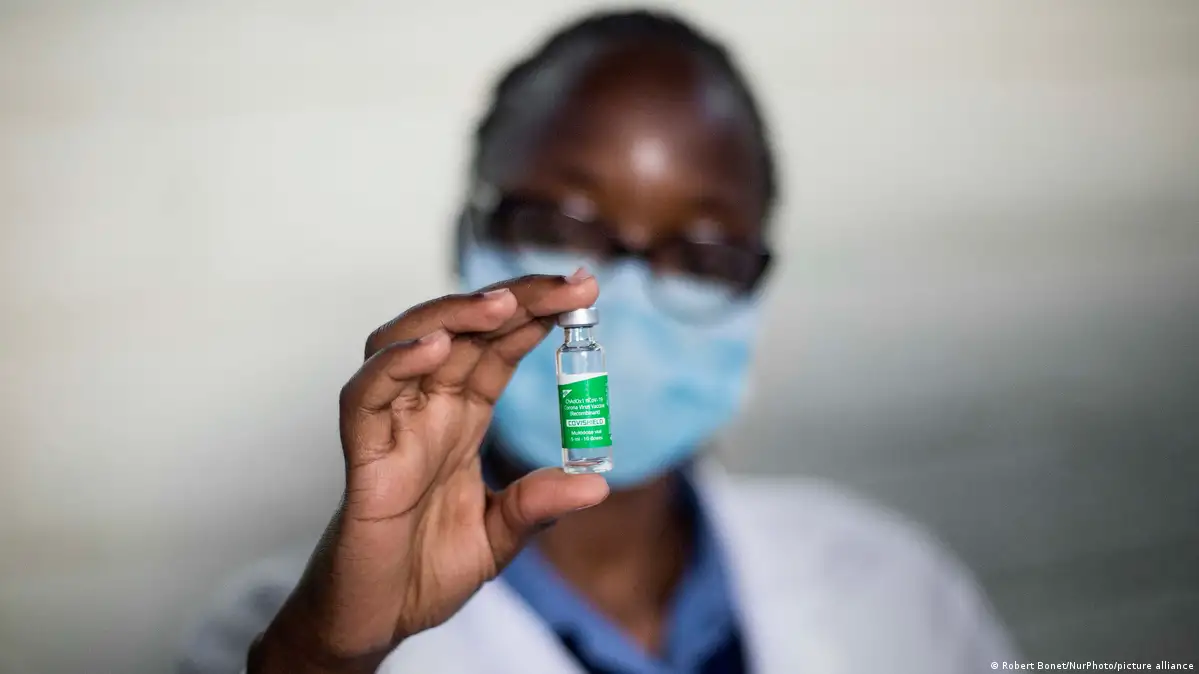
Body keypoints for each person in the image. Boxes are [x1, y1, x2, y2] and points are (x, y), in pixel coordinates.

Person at [177, 9, 1017, 674]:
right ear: (468, 235)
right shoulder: (290, 636)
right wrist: (324, 660)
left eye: (700, 254)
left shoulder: (891, 589)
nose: (617, 292)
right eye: (563, 226)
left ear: (755, 279)